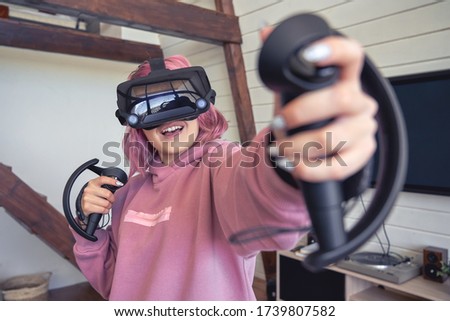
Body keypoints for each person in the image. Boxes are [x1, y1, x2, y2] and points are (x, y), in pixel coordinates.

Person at [71, 30, 377, 300]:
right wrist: (90, 229)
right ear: (138, 125)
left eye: (179, 101)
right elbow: (115, 285)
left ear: (202, 109)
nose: (168, 116)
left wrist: (288, 152)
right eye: (150, 107)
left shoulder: (222, 165)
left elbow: (256, 189)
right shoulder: (127, 193)